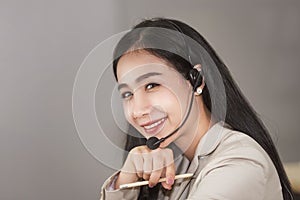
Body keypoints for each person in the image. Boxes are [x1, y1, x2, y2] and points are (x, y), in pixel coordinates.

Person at [100, 18, 293, 200]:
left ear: (196, 79)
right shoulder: (174, 162)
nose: (138, 110)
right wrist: (125, 182)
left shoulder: (240, 163)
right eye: (127, 94)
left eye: (152, 85)